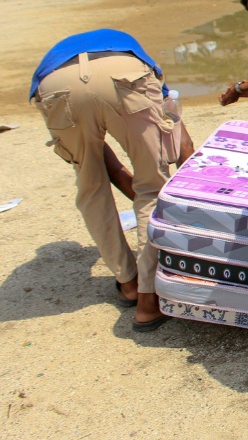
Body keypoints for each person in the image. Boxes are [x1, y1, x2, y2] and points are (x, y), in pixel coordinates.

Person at [31, 29, 192, 332]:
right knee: (153, 188)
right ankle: (148, 299)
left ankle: (128, 283)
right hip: (124, 72)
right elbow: (177, 130)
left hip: (55, 83)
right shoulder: (129, 47)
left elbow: (102, 161)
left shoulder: (58, 50)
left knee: (90, 187)